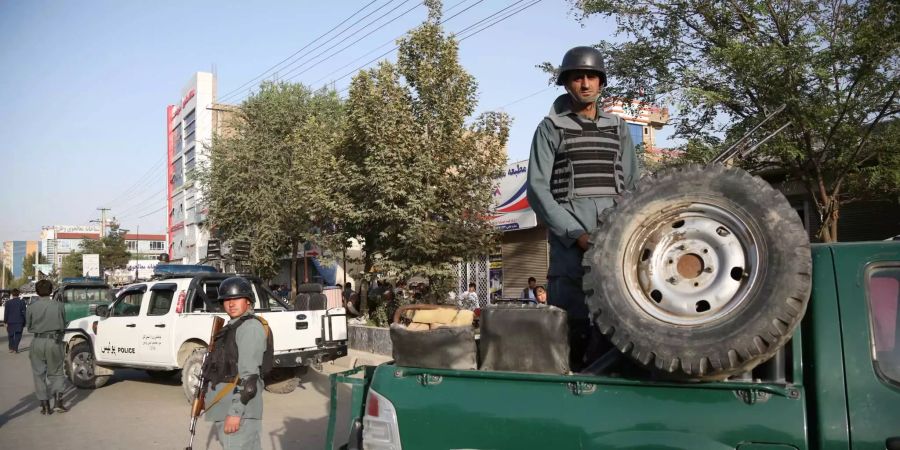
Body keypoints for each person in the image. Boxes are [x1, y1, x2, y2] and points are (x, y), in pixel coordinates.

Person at [526, 46, 640, 371]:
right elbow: (538, 189)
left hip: (613, 243)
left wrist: (623, 232)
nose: (585, 83)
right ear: (567, 84)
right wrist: (575, 234)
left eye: (591, 76)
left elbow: (633, 187)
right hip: (570, 247)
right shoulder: (551, 128)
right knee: (570, 328)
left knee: (619, 323)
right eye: (578, 77)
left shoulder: (618, 129)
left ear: (601, 83)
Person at [202, 277, 268, 450]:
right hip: (225, 406)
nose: (231, 303)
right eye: (227, 299)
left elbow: (249, 379)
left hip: (238, 410)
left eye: (236, 298)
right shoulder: (233, 326)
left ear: (248, 301)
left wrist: (235, 413)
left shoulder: (250, 328)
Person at [25, 280, 69, 415]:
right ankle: (58, 402)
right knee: (56, 372)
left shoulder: (31, 307)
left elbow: (29, 327)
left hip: (37, 341)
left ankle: (44, 406)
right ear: (51, 291)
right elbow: (63, 324)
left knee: (38, 374)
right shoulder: (59, 306)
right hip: (54, 341)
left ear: (37, 291)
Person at [4, 289, 27, 353]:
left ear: (12, 294)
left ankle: (11, 348)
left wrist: (5, 321)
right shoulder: (22, 302)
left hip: (10, 321)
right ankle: (15, 348)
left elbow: (6, 313)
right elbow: (24, 312)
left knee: (10, 335)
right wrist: (25, 321)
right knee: (18, 335)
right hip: (19, 321)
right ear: (19, 294)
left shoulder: (8, 302)